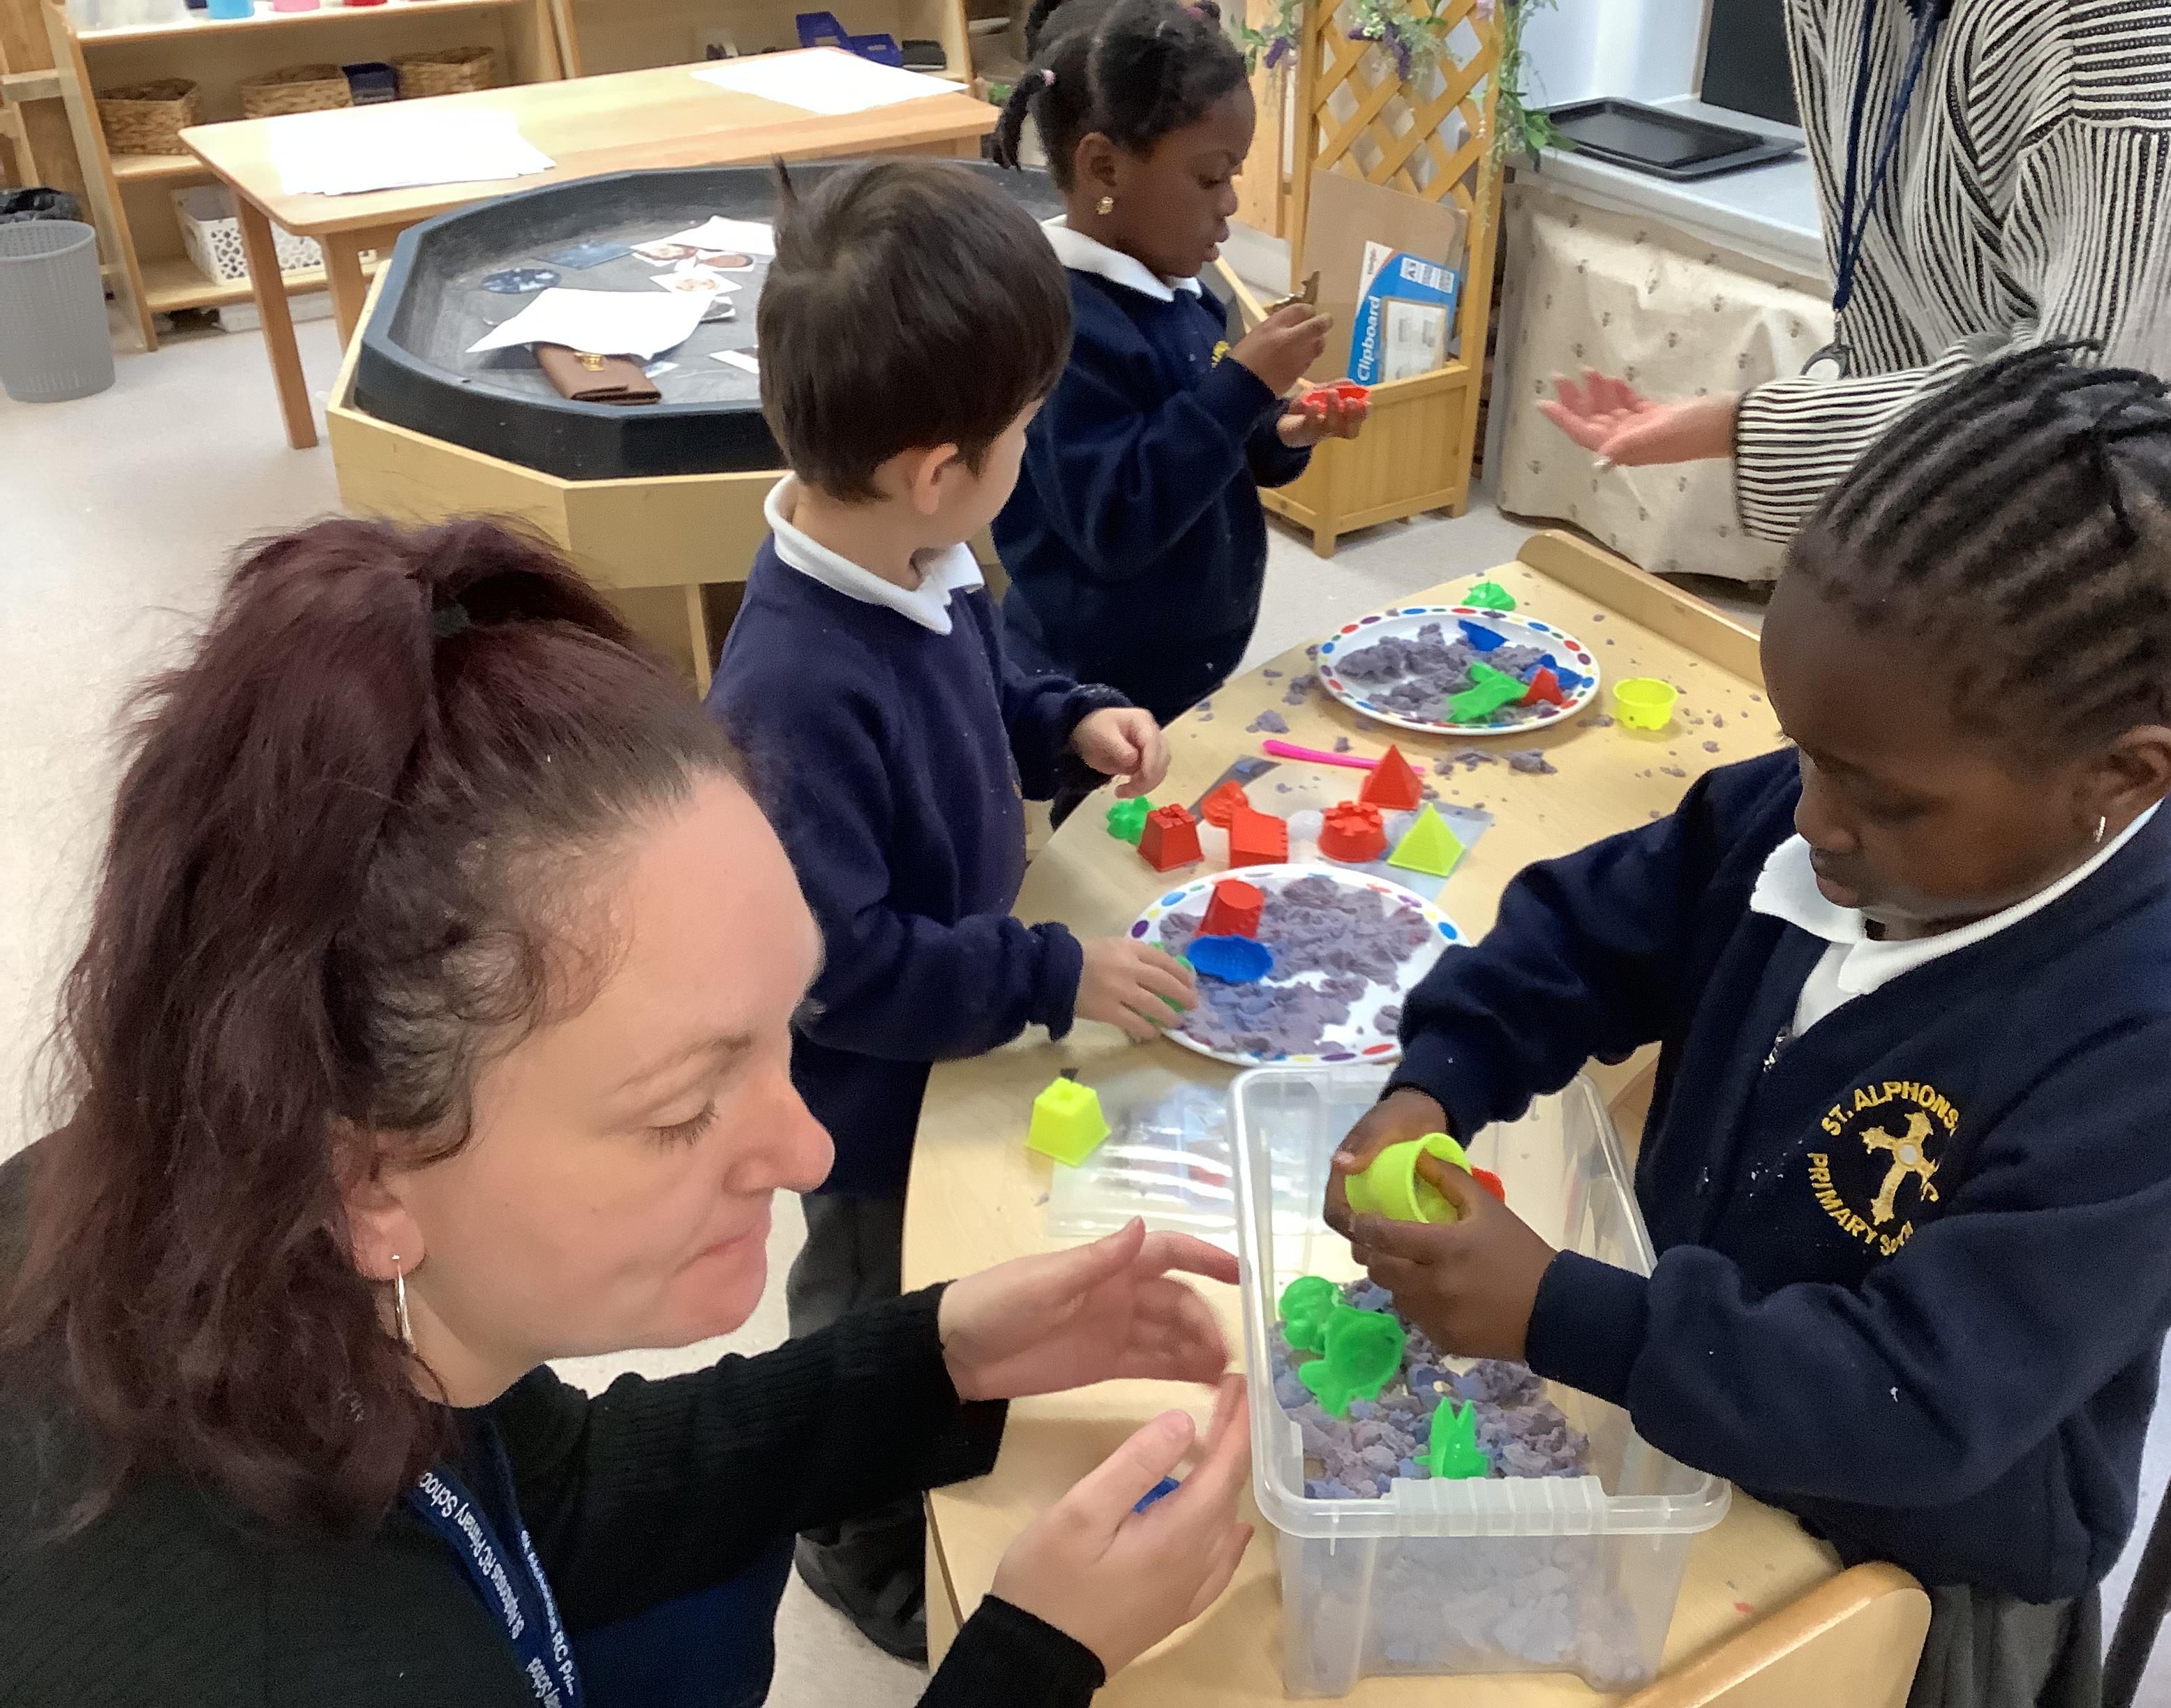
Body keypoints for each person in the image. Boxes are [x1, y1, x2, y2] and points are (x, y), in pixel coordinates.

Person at [0, 517, 1255, 1708]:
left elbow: (543, 1494)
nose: (808, 1149)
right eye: (681, 1108)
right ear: (366, 1180)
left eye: (782, 1031)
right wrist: (1035, 1656)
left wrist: (937, 1358)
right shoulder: (299, 1662)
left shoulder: (232, 1192)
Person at [1329, 354, 2171, 1708]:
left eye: (1879, 797)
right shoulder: (1818, 820)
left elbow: (1921, 1398)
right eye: (1806, 754)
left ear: (2117, 779)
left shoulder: (2170, 1059)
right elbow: (1584, 938)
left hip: (1911, 1575)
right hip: (1685, 1419)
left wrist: (1558, 1311)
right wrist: (1440, 1078)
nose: (1812, 818)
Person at [702, 158, 1200, 1663]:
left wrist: (1065, 720)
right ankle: (855, 1554)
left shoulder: (925, 556)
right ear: (937, 468)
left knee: (968, 1293)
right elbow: (841, 969)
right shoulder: (790, 691)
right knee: (871, 1325)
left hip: (959, 1044)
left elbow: (985, 689)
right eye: (1026, 430)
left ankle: (932, 1457)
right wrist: (1050, 971)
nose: (1030, 449)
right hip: (865, 1106)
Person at [1539, 0, 2171, 540]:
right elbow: (1878, 284)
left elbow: (2095, 407)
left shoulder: (2149, 31)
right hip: (1992, 440)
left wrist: (1749, 427)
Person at [986, 0, 1371, 761]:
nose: (1230, 203)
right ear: (1104, 169)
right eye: (1208, 177)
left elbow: (1208, 442)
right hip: (1093, 693)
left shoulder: (1185, 294)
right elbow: (1118, 523)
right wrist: (1242, 386)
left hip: (1183, 665)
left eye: (1233, 175)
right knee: (1109, 828)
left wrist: (1280, 427)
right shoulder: (1059, 330)